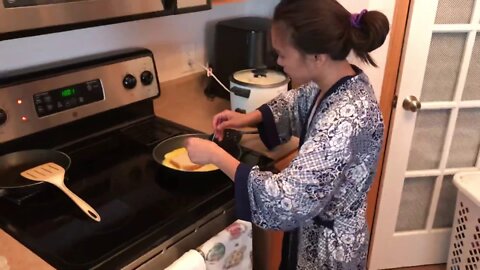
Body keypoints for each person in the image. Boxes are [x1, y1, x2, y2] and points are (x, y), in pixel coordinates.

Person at [185, 0, 389, 268]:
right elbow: (299, 102)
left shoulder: (346, 118)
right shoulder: (339, 81)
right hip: (315, 235)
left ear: (317, 56)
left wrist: (215, 155)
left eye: (282, 54)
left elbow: (286, 200)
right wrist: (248, 117)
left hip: (328, 254)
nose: (278, 62)